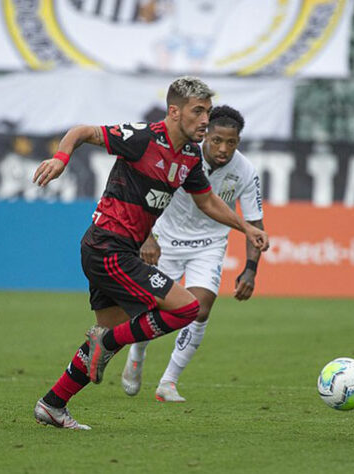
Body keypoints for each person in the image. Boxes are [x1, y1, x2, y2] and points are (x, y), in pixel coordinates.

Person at [31, 77, 269, 430]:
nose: (205, 119)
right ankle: (108, 343)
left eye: (207, 111)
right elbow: (82, 131)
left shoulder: (189, 155)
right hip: (108, 247)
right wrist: (62, 158)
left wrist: (245, 227)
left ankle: (53, 404)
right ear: (175, 112)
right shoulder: (143, 138)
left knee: (107, 332)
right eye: (198, 111)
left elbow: (206, 201)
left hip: (113, 249)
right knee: (187, 307)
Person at [120, 105, 264, 402]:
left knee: (200, 309)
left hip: (208, 245)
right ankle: (137, 351)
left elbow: (254, 224)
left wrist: (251, 268)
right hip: (165, 243)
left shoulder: (246, 172)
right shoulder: (181, 156)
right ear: (205, 134)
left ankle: (168, 382)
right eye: (216, 141)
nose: (223, 149)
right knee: (151, 309)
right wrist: (147, 237)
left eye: (231, 142)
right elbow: (140, 192)